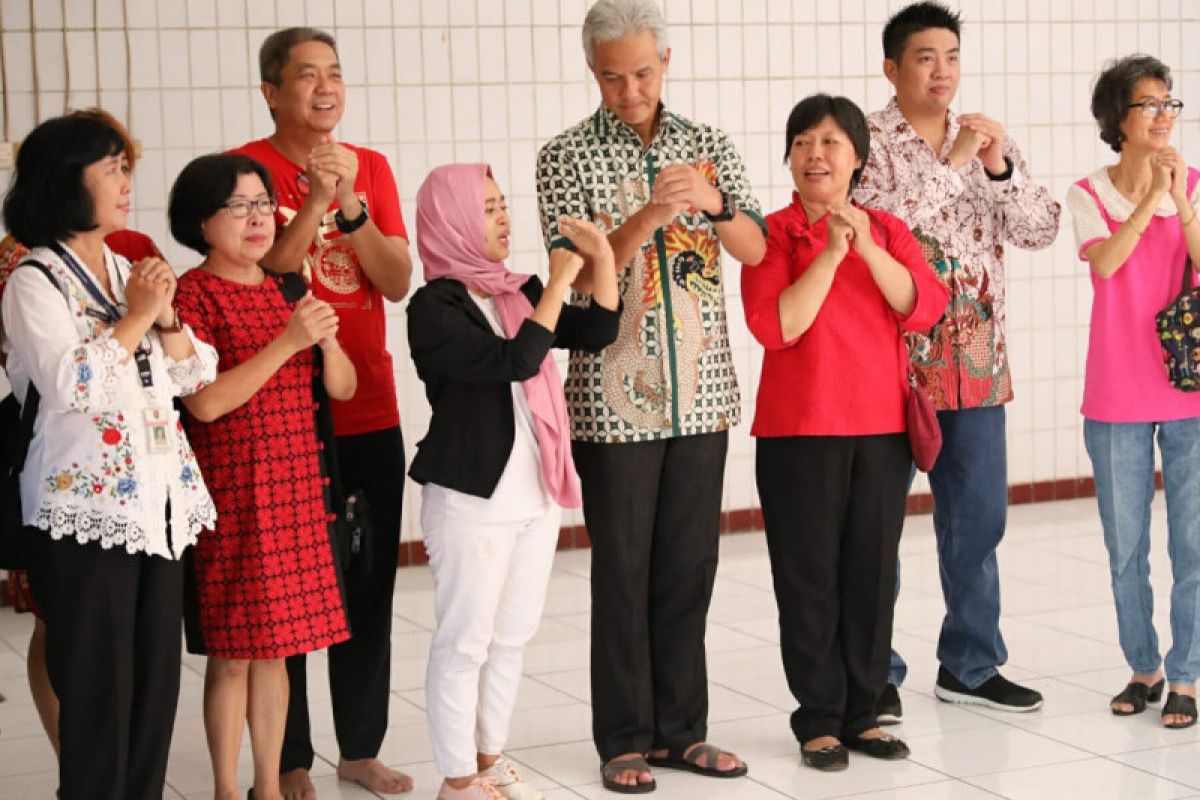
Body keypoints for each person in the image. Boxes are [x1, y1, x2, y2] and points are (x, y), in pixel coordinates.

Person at [536, 0, 766, 791]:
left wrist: (714, 204)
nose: (628, 88)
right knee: (623, 570)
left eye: (640, 71)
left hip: (702, 391)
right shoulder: (563, 156)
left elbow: (757, 245)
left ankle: (682, 731)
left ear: (665, 61)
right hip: (610, 396)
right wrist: (650, 216)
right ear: (591, 72)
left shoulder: (708, 147)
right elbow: (569, 275)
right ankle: (624, 739)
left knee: (689, 567)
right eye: (611, 76)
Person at [854, 0, 1061, 718]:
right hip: (888, 363)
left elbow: (1038, 230)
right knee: (874, 527)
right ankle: (872, 672)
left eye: (950, 57)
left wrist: (998, 165)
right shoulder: (867, 141)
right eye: (923, 57)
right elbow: (879, 227)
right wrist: (954, 163)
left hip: (976, 361)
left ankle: (970, 664)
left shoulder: (983, 138)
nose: (941, 72)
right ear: (892, 67)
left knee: (977, 523)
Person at [0, 113, 217, 799]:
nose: (128, 183)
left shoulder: (129, 268)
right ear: (70, 182)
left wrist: (169, 317)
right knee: (98, 697)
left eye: (127, 168)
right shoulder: (35, 280)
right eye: (112, 170)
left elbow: (194, 376)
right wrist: (136, 316)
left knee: (154, 692)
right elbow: (71, 386)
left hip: (156, 506)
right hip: (83, 511)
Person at [230, 26, 415, 797]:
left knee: (367, 583)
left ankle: (361, 748)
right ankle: (290, 758)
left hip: (369, 402)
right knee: (291, 590)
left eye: (334, 73)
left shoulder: (369, 166)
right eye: (306, 75)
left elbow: (398, 279)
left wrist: (349, 207)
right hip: (283, 414)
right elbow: (266, 274)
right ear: (273, 91)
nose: (325, 87)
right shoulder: (244, 171)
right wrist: (309, 200)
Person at [743, 93, 948, 771]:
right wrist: (829, 254)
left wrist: (859, 240)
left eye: (830, 142)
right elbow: (777, 326)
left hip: (882, 431)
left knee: (869, 573)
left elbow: (921, 306)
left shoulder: (889, 230)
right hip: (798, 433)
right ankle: (819, 717)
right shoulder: (769, 234)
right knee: (807, 578)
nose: (814, 154)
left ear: (859, 157)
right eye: (802, 141)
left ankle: (867, 708)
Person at [408, 164, 619, 799]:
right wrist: (556, 283)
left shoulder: (516, 287)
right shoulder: (434, 307)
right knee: (465, 640)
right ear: (453, 222)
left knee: (512, 637)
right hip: (471, 497)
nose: (504, 218)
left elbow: (598, 331)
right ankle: (455, 778)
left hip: (536, 490)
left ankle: (488, 757)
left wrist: (602, 260)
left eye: (504, 206)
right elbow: (516, 359)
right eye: (489, 208)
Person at [169, 153, 355, 800]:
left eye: (262, 203)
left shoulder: (287, 290)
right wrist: (286, 345)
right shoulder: (191, 295)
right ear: (201, 222)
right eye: (239, 206)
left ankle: (267, 787)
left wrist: (323, 342)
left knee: (279, 649)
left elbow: (345, 386)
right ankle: (226, 790)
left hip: (297, 490)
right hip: (234, 493)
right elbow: (205, 402)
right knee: (233, 651)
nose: (258, 218)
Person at [1067, 54, 1200, 729]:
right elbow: (1110, 266)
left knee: (1193, 544)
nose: (1164, 114)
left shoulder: (1195, 183)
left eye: (1170, 102)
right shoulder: (1087, 194)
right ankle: (1143, 666)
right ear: (1117, 118)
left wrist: (1178, 195)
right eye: (1150, 103)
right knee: (1126, 549)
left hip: (1190, 391)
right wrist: (1151, 197)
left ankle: (1186, 677)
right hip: (1117, 392)